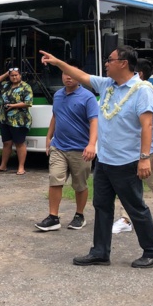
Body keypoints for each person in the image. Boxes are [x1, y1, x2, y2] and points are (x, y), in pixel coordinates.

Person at [39, 46, 153, 268]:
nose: (106, 63)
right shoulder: (108, 86)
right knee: (102, 206)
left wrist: (145, 157)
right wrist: (57, 62)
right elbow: (81, 76)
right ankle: (100, 251)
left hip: (126, 162)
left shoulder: (141, 90)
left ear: (123, 63)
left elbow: (147, 124)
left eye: (110, 60)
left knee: (136, 207)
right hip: (105, 161)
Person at [35, 59, 99, 232]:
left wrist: (92, 144)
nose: (68, 77)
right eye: (65, 74)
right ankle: (53, 217)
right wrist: (49, 137)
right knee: (55, 179)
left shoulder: (88, 97)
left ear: (79, 76)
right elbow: (55, 116)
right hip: (59, 147)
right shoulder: (58, 95)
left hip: (80, 149)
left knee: (80, 184)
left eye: (72, 74)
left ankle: (79, 215)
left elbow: (94, 121)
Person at [113, 58, 153, 233]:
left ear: (139, 74)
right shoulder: (127, 94)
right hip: (129, 148)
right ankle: (126, 219)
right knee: (127, 184)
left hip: (151, 149)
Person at [0, 66, 33, 175]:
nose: (14, 77)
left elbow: (28, 103)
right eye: (12, 75)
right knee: (6, 143)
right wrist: (6, 73)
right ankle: (3, 166)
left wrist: (13, 106)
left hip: (19, 120)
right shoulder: (6, 85)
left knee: (19, 143)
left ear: (20, 75)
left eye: (16, 75)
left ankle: (21, 167)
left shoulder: (25, 87)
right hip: (4, 119)